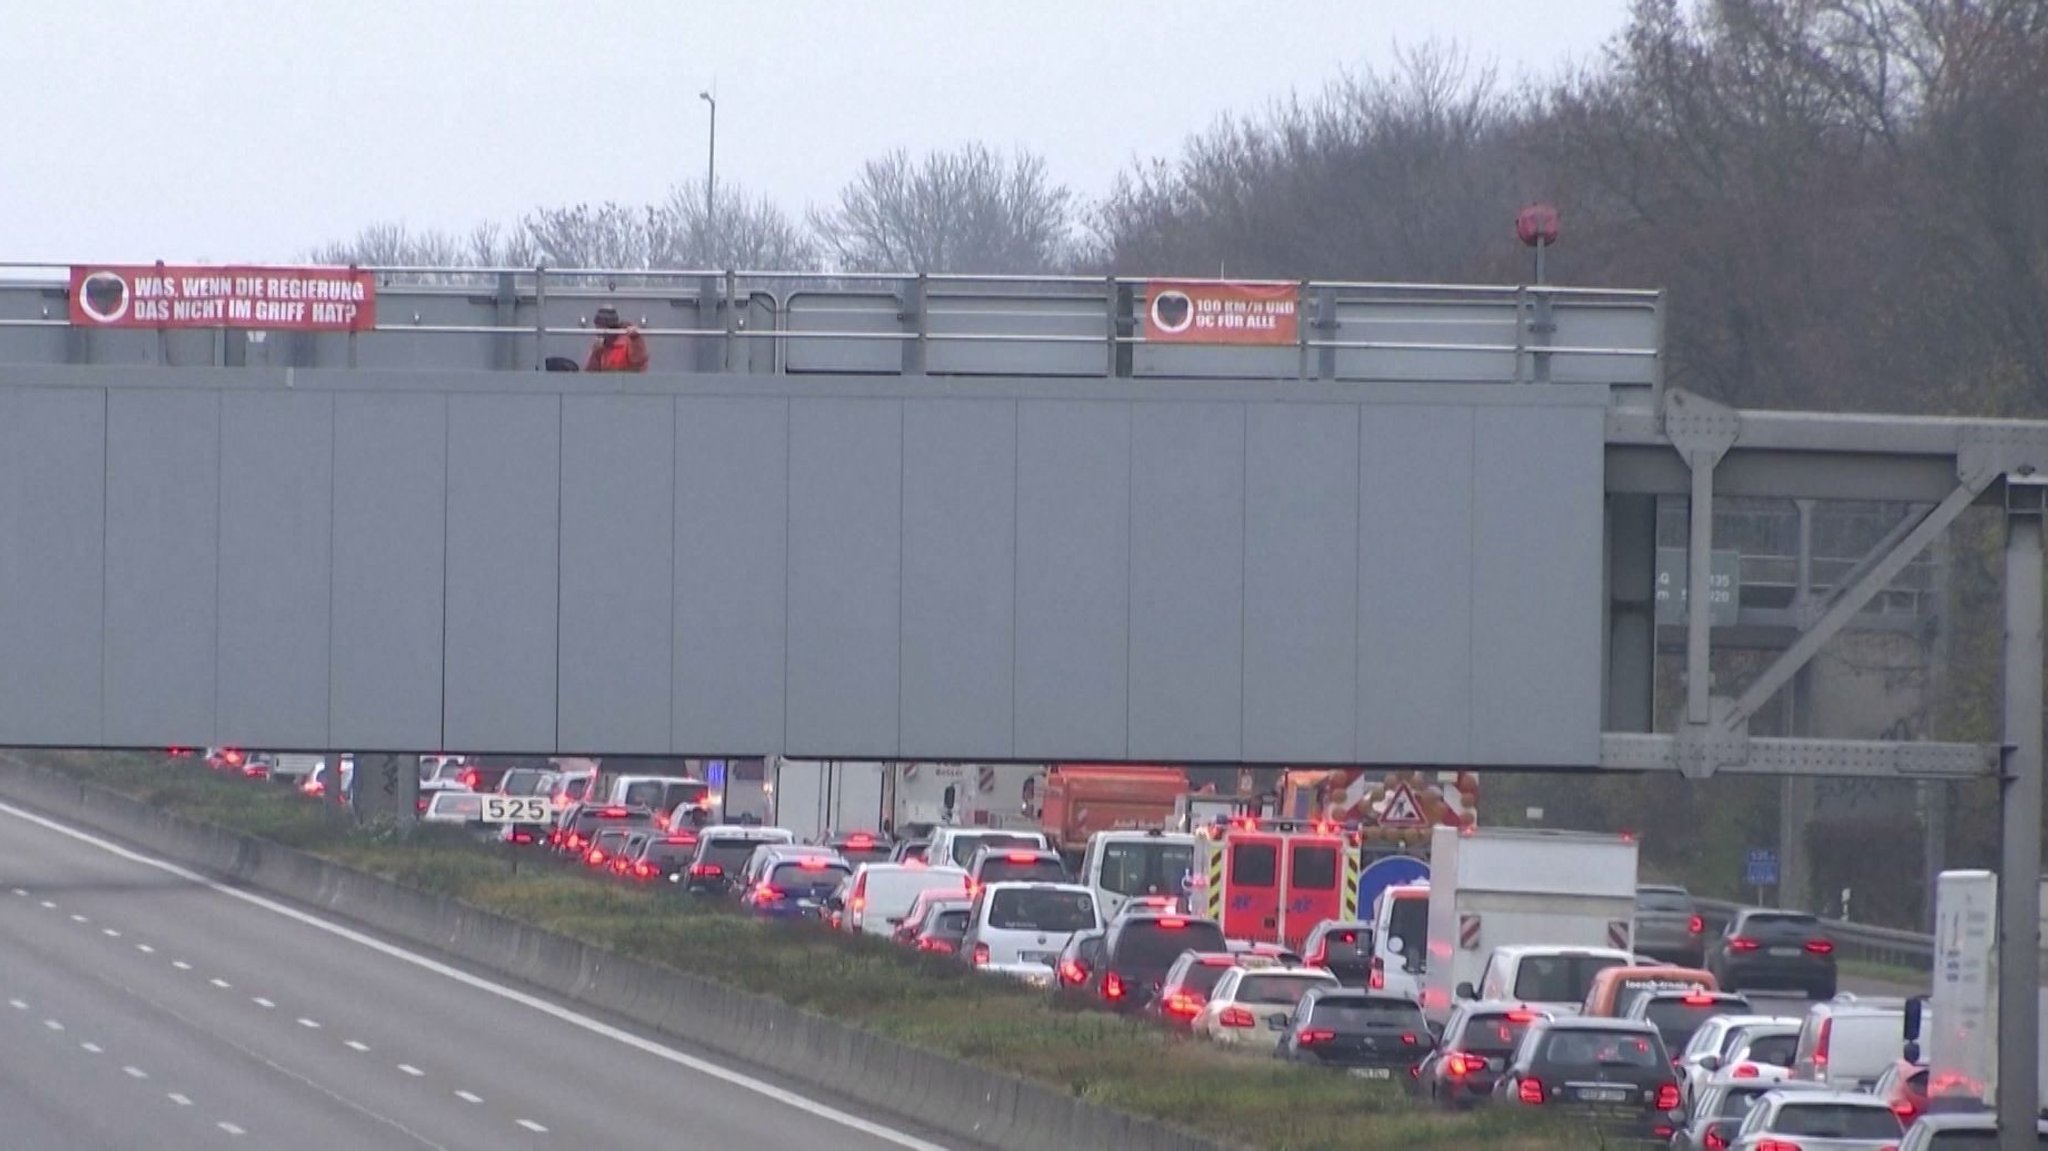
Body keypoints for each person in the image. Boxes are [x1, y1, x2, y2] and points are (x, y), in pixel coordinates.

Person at [584, 304, 649, 372]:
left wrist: (636, 338)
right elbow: (590, 373)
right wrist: (595, 353)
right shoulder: (600, 347)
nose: (598, 332)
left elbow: (639, 362)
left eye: (601, 328)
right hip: (606, 381)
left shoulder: (629, 341)